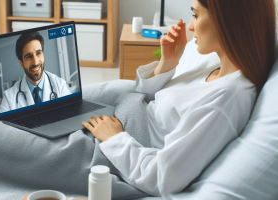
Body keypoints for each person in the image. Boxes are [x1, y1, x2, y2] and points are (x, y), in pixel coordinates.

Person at [82, 0, 276, 198]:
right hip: (125, 109)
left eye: (195, 15)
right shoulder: (212, 59)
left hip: (122, 139)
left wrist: (115, 139)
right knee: (58, 102)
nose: (190, 26)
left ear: (227, 21)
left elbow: (165, 176)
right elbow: (149, 95)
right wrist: (167, 63)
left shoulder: (228, 99)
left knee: (50, 150)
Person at [0, 31, 71, 114]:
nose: (35, 62)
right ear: (22, 64)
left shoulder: (60, 85)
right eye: (29, 57)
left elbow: (71, 115)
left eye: (38, 53)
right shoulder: (9, 97)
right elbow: (0, 126)